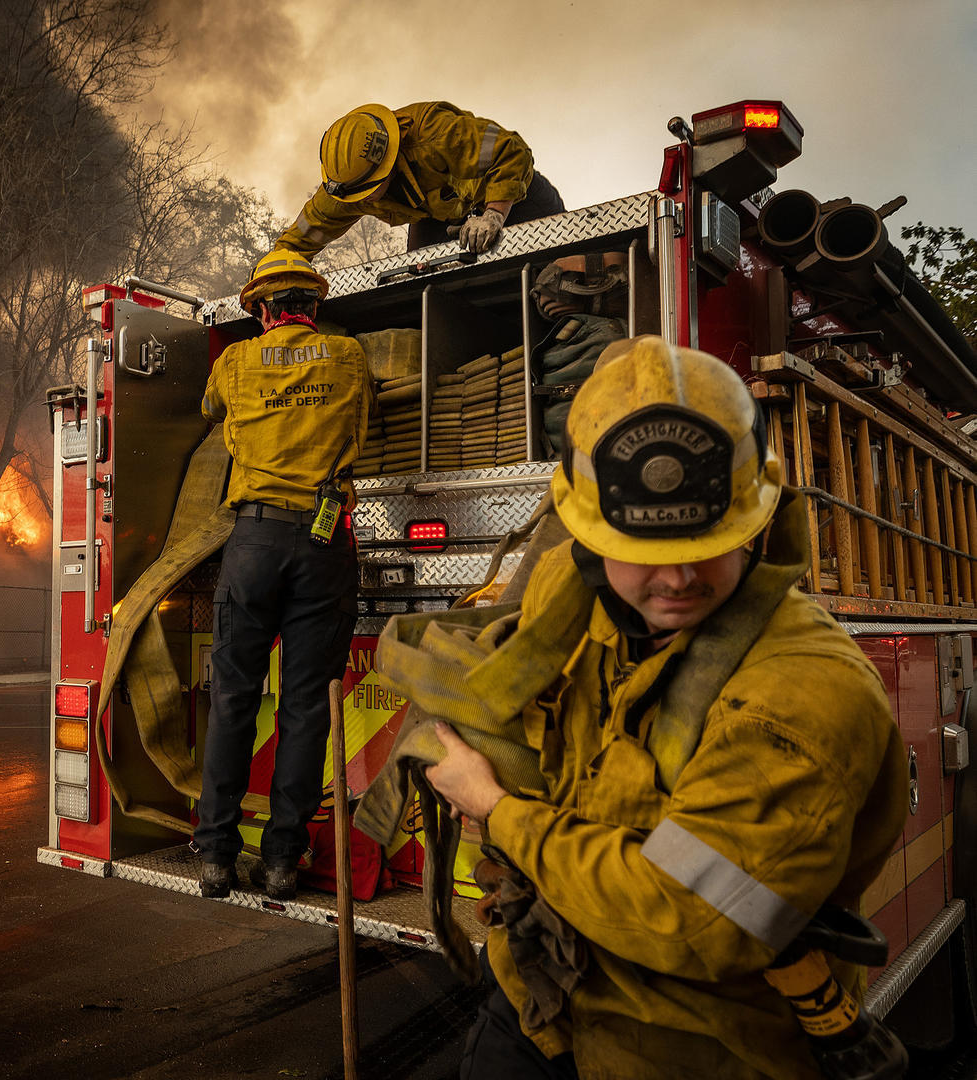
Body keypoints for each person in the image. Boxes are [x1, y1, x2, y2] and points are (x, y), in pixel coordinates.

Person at [414, 337, 908, 1077]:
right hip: (544, 997)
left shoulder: (802, 695)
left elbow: (697, 919)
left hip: (688, 1046)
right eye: (643, 550)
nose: (675, 578)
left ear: (760, 519)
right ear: (583, 535)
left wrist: (497, 809)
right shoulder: (585, 612)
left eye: (707, 542)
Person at [193, 249, 370, 901]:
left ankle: (215, 856)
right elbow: (363, 417)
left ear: (263, 309)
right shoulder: (349, 356)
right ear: (314, 308)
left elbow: (210, 408)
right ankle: (280, 864)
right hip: (324, 542)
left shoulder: (236, 361)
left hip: (255, 540)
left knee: (234, 698)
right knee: (304, 709)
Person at [275, 102, 564, 259]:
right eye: (354, 197)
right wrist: (274, 269)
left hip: (513, 195)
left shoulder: (436, 134)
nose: (361, 202)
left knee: (557, 266)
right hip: (439, 215)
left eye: (367, 192)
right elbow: (307, 230)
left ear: (386, 164)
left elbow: (512, 151)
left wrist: (493, 215)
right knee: (418, 275)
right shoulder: (347, 184)